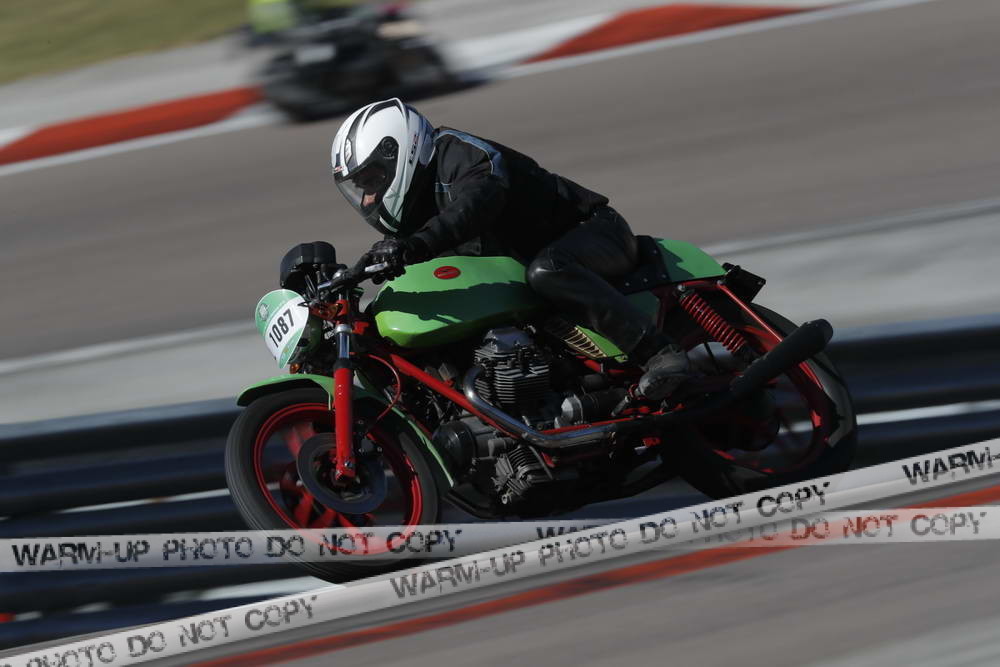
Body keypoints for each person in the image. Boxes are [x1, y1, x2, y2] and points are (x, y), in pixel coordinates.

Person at [330, 98, 690, 400]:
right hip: (524, 265)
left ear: (399, 151)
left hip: (592, 232)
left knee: (548, 270)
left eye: (373, 181)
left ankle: (659, 352)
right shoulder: (415, 203)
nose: (369, 198)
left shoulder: (463, 156)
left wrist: (416, 245)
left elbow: (474, 205)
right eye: (361, 188)